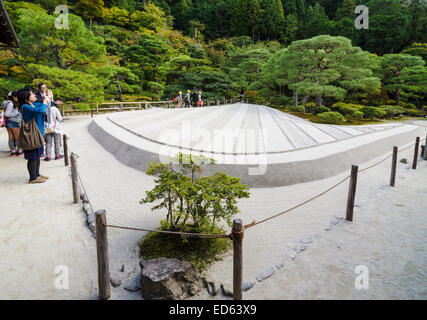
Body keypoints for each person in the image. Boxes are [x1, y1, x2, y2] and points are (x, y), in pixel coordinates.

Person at [17, 88, 49, 184]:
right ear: (26, 97)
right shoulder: (25, 107)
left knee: (38, 155)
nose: (35, 95)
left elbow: (46, 106)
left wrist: (47, 99)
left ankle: (37, 174)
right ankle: (32, 178)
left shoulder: (32, 104)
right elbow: (40, 111)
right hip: (31, 135)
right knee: (32, 157)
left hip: (38, 134)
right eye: (32, 94)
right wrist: (44, 101)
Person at [2, 91, 23, 156]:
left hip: (9, 122)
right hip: (13, 122)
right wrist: (17, 113)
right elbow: (7, 114)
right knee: (17, 137)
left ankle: (13, 151)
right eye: (17, 96)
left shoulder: (8, 103)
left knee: (11, 137)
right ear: (13, 97)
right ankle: (19, 151)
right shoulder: (10, 104)